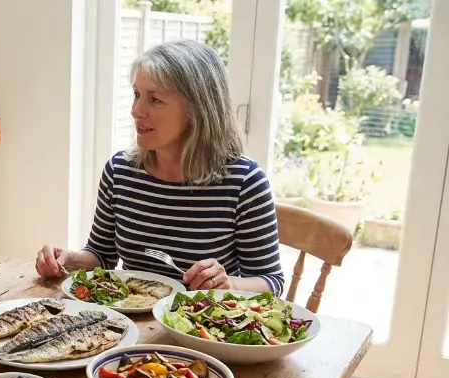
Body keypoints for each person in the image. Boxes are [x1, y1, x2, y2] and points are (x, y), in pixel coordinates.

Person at [36, 39, 284, 295]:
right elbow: (101, 254)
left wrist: (229, 284)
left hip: (199, 318)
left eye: (155, 99)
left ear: (196, 109)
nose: (136, 111)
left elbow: (272, 281)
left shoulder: (245, 182)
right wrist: (69, 259)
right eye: (137, 95)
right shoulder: (119, 171)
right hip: (128, 315)